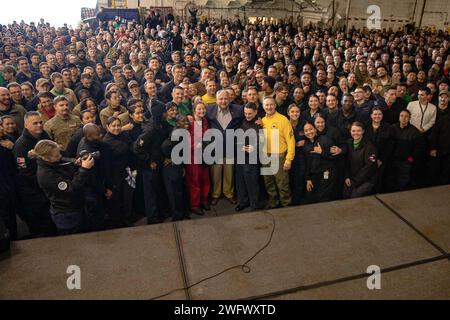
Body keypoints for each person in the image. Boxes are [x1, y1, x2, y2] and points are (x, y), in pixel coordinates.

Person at [35, 140, 94, 235]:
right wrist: (83, 170)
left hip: (77, 206)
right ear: (46, 158)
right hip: (66, 214)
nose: (60, 156)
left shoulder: (54, 162)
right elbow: (72, 188)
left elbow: (64, 161)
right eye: (56, 156)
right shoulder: (46, 175)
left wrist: (75, 162)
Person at [13, 112, 56, 238]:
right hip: (33, 191)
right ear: (26, 125)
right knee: (41, 225)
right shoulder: (21, 145)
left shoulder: (44, 135)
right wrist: (45, 182)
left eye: (40, 122)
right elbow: (25, 172)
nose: (39, 125)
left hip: (46, 186)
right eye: (35, 123)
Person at [206, 90, 243, 206]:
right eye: (220, 99)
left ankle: (229, 193)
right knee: (215, 173)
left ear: (230, 99)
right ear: (216, 100)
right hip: (215, 148)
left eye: (225, 99)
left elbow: (248, 117)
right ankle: (215, 194)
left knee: (229, 172)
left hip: (230, 147)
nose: (223, 101)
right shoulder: (208, 110)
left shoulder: (238, 109)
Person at [261, 97, 295, 209]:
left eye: (271, 104)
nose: (269, 107)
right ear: (263, 107)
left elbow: (291, 141)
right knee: (268, 182)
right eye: (266, 105)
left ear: (275, 105)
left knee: (282, 183)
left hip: (280, 156)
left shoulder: (283, 119)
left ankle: (286, 204)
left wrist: (288, 159)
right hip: (266, 156)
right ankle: (273, 203)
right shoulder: (262, 121)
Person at [103, 117, 134, 228]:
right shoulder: (105, 142)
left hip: (128, 171)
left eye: (118, 125)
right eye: (113, 126)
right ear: (107, 127)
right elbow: (106, 165)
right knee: (117, 199)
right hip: (114, 175)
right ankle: (118, 221)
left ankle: (128, 217)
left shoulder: (124, 135)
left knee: (128, 196)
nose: (116, 128)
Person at [386, 110, 426, 192]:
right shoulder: (392, 128)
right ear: (399, 117)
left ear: (409, 118)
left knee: (403, 182)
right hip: (392, 160)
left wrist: (410, 159)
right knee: (390, 179)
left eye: (406, 116)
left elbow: (420, 148)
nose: (403, 118)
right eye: (401, 116)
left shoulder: (414, 132)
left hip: (405, 161)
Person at [161, 114, 190, 221]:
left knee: (178, 191)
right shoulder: (177, 133)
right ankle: (177, 216)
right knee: (173, 193)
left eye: (187, 121)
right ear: (177, 123)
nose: (186, 123)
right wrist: (171, 158)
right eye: (183, 121)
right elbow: (165, 146)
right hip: (170, 169)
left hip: (177, 166)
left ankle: (181, 213)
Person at [185, 101, 211, 215]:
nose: (202, 111)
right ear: (194, 110)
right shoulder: (189, 123)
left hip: (204, 155)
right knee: (194, 181)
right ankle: (195, 204)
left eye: (203, 109)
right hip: (192, 157)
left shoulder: (205, 121)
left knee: (205, 179)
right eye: (199, 109)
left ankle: (204, 200)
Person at [235, 102, 262, 211]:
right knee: (240, 181)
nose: (247, 115)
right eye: (246, 113)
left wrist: (255, 148)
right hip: (240, 156)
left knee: (252, 181)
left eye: (250, 113)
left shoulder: (260, 124)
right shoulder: (241, 121)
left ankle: (254, 203)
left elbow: (263, 141)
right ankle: (243, 202)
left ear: (255, 112)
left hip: (252, 157)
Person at [302, 122, 336, 204]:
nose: (309, 132)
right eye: (306, 130)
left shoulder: (325, 139)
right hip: (314, 174)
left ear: (315, 129)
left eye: (311, 129)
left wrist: (322, 152)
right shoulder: (305, 144)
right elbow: (307, 163)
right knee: (310, 196)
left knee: (323, 196)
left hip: (327, 173)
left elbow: (334, 157)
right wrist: (308, 179)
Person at [343, 122, 378, 199]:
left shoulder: (370, 146)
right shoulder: (348, 143)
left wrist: (355, 181)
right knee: (345, 196)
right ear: (350, 131)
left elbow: (370, 166)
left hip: (366, 180)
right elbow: (345, 162)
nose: (356, 133)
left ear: (363, 131)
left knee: (354, 197)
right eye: (353, 131)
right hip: (351, 178)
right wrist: (347, 176)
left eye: (358, 131)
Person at [365, 107, 394, 193]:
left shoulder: (388, 127)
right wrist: (372, 158)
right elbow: (365, 143)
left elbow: (390, 145)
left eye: (379, 114)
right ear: (371, 115)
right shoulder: (366, 126)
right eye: (375, 114)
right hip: (368, 157)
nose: (377, 116)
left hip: (382, 158)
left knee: (379, 178)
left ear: (382, 115)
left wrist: (380, 159)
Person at [0, 117, 18, 240]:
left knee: (12, 216)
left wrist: (13, 148)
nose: (2, 129)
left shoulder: (9, 140)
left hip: (11, 182)